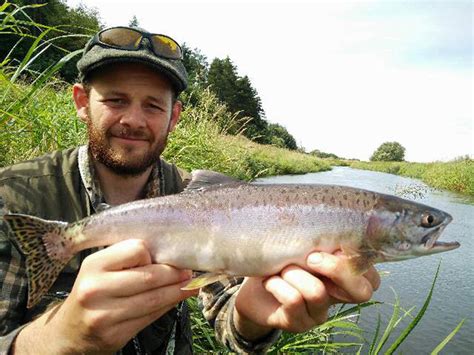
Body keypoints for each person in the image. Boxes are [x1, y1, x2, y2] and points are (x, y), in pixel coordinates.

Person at [0, 26, 380, 354]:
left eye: (152, 106)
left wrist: (250, 317)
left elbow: (229, 325)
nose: (133, 120)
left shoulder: (203, 200)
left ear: (174, 116)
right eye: (115, 100)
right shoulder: (11, 197)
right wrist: (61, 338)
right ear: (82, 102)